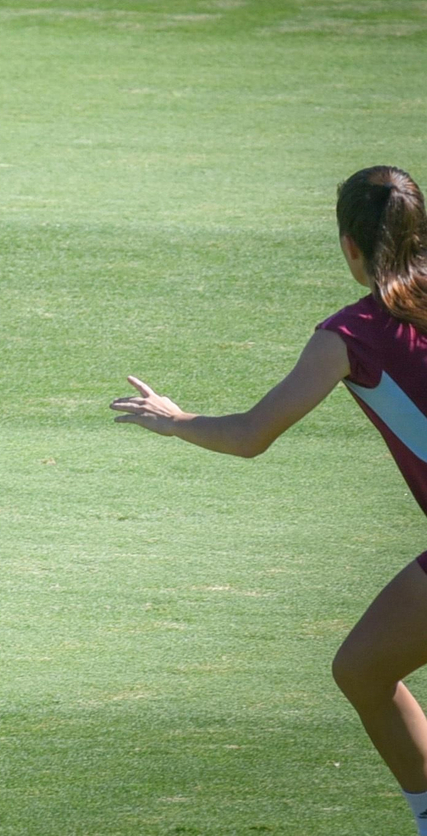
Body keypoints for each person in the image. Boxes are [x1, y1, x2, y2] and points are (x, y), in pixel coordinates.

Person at [112, 165, 427, 835]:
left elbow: (253, 434)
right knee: (362, 667)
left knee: (364, 672)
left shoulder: (351, 335)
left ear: (349, 246)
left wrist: (174, 418)